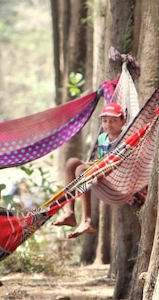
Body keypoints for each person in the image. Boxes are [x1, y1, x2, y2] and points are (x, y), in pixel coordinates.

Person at [53, 102, 127, 239]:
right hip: (101, 170)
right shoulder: (102, 138)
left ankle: (87, 220)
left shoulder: (125, 138)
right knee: (72, 163)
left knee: (81, 169)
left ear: (124, 122)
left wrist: (91, 166)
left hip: (115, 176)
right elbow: (100, 158)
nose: (108, 124)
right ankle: (70, 212)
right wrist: (92, 164)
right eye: (105, 121)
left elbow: (121, 162)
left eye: (114, 120)